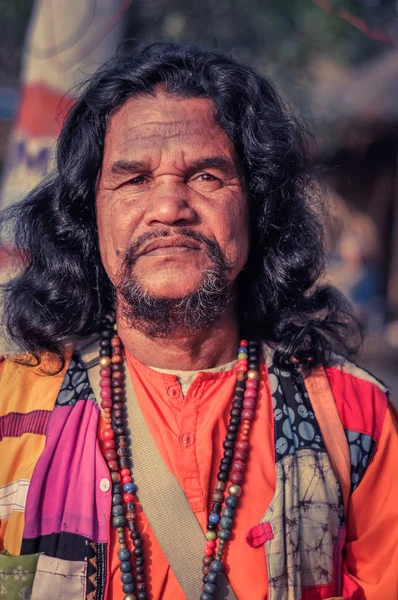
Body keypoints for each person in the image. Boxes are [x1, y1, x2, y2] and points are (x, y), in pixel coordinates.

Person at [0, 42, 396, 600]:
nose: (169, 207)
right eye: (133, 179)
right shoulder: (12, 410)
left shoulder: (354, 416)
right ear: (89, 215)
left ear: (256, 207)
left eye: (206, 176)